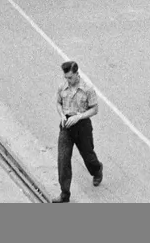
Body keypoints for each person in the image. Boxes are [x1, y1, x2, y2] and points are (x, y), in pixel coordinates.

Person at [53, 60, 102, 202]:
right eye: (66, 77)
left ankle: (97, 170)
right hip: (66, 126)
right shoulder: (62, 86)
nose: (68, 80)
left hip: (82, 126)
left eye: (70, 77)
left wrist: (79, 117)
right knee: (63, 160)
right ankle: (64, 193)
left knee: (88, 156)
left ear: (77, 74)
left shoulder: (87, 89)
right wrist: (62, 115)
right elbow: (58, 102)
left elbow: (94, 109)